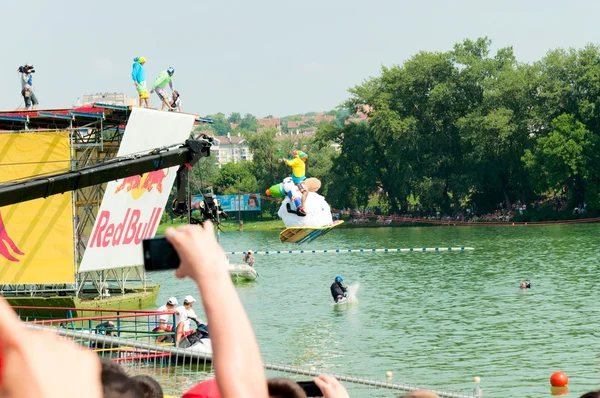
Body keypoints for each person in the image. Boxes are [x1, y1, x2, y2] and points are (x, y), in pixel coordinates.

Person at [278, 150, 309, 215]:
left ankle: (300, 206)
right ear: (301, 157)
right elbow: (290, 163)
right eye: (304, 158)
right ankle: (302, 207)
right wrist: (285, 161)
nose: (305, 160)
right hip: (299, 180)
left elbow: (290, 160)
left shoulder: (298, 160)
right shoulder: (297, 161)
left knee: (306, 192)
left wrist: (284, 160)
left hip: (301, 180)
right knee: (305, 192)